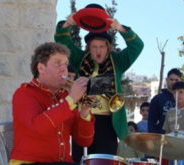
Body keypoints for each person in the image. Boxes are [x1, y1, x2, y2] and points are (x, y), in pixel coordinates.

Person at [54, 3, 144, 162]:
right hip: (82, 119)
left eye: (102, 46)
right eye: (94, 46)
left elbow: (137, 46)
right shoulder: (79, 58)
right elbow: (62, 41)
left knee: (105, 161)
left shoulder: (118, 61)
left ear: (108, 47)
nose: (98, 50)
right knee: (79, 160)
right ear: (88, 47)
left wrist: (121, 28)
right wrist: (67, 24)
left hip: (107, 123)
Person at [9, 42, 95, 165]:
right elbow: (38, 126)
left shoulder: (65, 97)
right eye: (57, 63)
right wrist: (71, 100)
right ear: (41, 68)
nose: (64, 68)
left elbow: (84, 141)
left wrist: (85, 111)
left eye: (65, 64)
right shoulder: (23, 94)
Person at [148, 68, 184, 134]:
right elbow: (151, 122)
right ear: (166, 80)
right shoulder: (157, 99)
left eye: (176, 80)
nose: (173, 82)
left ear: (180, 80)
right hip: (163, 137)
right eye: (171, 79)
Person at [163, 81, 184, 165]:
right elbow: (167, 132)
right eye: (175, 93)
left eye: (181, 92)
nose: (178, 95)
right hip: (173, 151)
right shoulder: (170, 112)